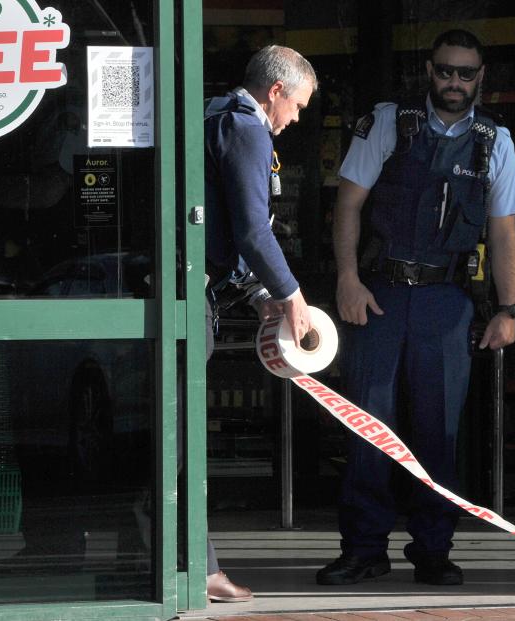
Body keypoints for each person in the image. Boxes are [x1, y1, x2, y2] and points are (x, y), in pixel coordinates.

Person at [318, 29, 515, 587]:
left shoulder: (494, 142)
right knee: (368, 427)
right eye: (444, 71)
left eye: (465, 73)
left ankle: (433, 548)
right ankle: (364, 548)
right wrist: (347, 279)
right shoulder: (390, 122)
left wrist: (508, 308)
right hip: (380, 295)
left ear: (480, 77)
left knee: (439, 432)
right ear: (428, 71)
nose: (453, 82)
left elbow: (503, 233)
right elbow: (348, 203)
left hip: (446, 301)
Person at [203, 44, 317, 602]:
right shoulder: (248, 130)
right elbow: (251, 229)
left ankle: (187, 564)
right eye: (296, 105)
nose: (295, 119)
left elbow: (218, 228)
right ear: (275, 91)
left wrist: (252, 295)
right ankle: (197, 568)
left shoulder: (212, 114)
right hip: (189, 299)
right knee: (183, 443)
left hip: (190, 289)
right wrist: (289, 295)